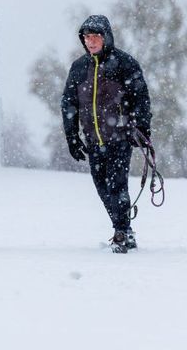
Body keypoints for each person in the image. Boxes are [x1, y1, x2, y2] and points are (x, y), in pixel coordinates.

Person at [61, 15, 152, 253]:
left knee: (117, 185)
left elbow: (141, 98)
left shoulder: (124, 63)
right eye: (87, 37)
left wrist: (141, 128)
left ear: (106, 37)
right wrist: (72, 137)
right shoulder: (79, 67)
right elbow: (68, 103)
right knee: (102, 186)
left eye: (95, 37)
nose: (91, 42)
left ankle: (122, 232)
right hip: (93, 140)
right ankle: (124, 228)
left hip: (120, 137)